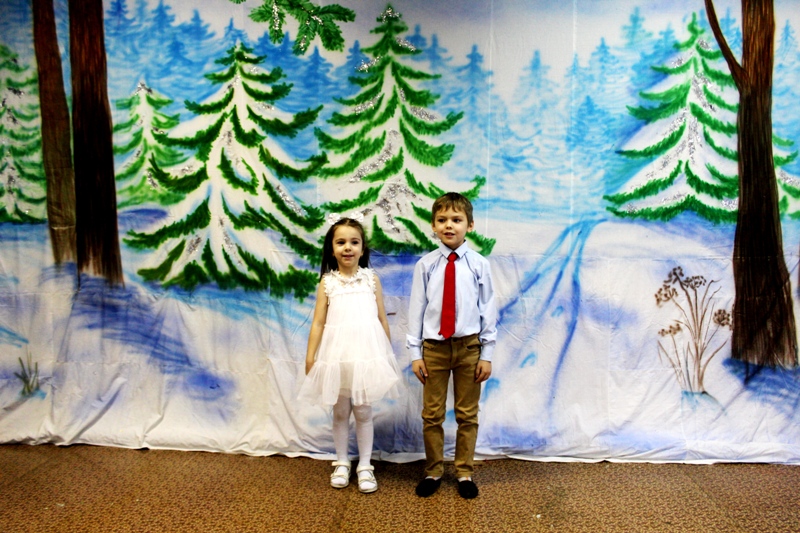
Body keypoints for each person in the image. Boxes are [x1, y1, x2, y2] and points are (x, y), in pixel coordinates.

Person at [299, 215, 400, 494]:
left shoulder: (371, 280)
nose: (347, 248)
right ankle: (342, 461)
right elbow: (318, 323)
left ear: (362, 248)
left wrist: (384, 354)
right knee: (340, 411)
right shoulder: (327, 283)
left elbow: (381, 319)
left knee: (364, 411)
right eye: (341, 242)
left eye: (354, 242)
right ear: (332, 249)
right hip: (338, 357)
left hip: (366, 356)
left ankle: (365, 465)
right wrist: (311, 357)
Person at [406, 192, 497, 499]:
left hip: (470, 349)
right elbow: (416, 310)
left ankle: (464, 472)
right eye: (442, 220)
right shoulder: (426, 265)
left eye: (456, 220)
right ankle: (433, 470)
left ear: (469, 225)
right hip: (434, 349)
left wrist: (487, 353)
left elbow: (488, 309)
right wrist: (415, 353)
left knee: (467, 414)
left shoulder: (479, 265)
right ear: (433, 225)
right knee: (432, 414)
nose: (449, 225)